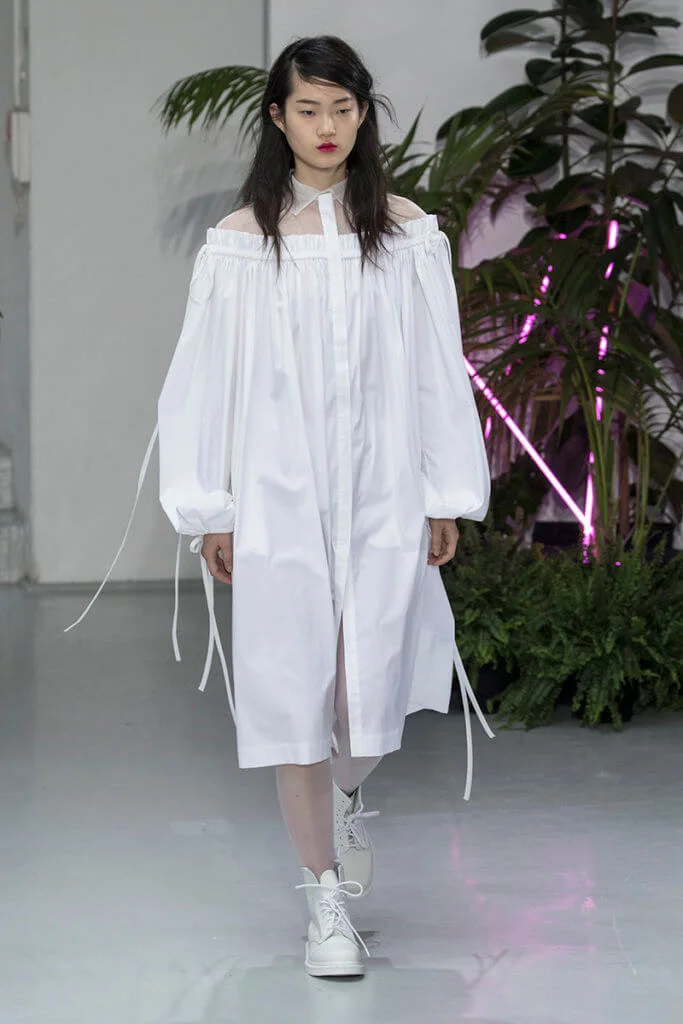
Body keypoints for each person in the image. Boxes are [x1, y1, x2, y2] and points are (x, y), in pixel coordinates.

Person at [69, 34, 492, 979]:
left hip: (381, 491)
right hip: (278, 498)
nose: (326, 126)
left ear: (362, 114)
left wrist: (444, 492)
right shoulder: (240, 243)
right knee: (295, 689)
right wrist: (211, 507)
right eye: (308, 109)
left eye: (342, 108)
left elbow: (436, 370)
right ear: (277, 117)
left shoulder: (407, 235)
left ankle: (343, 796)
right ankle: (323, 900)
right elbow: (204, 382)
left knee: (367, 686)